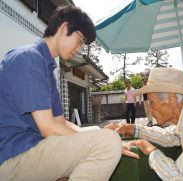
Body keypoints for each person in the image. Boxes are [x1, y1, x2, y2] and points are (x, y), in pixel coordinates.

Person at [0, 5, 122, 181]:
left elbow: (60, 122)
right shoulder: (28, 57)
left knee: (101, 135)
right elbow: (48, 128)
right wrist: (100, 141)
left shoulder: (47, 67)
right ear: (64, 28)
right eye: (80, 41)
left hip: (31, 149)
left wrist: (95, 133)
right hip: (11, 156)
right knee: (108, 142)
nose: (80, 49)